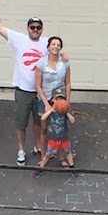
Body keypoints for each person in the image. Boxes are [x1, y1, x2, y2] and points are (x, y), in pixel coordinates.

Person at [0, 0, 67, 165]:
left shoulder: (46, 43)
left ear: (42, 29)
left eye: (38, 27)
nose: (35, 30)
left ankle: (38, 146)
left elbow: (56, 49)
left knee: (39, 123)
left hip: (42, 92)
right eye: (33, 27)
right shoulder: (19, 39)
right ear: (28, 29)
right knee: (21, 123)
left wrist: (64, 55)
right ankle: (21, 150)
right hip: (23, 90)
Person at [35, 37, 73, 167]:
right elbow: (38, 86)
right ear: (48, 47)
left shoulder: (65, 63)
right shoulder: (41, 64)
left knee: (61, 129)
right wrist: (46, 103)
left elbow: (67, 83)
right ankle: (44, 156)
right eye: (53, 44)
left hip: (60, 100)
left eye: (58, 45)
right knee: (44, 129)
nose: (55, 47)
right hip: (45, 99)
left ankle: (62, 158)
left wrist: (67, 101)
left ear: (61, 48)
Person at [39, 89, 75, 169]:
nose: (59, 101)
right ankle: (41, 168)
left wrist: (67, 112)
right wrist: (51, 110)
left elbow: (72, 120)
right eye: (57, 99)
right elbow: (43, 118)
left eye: (61, 99)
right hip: (53, 137)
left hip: (63, 137)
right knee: (48, 154)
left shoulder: (64, 112)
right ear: (53, 100)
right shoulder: (52, 111)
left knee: (68, 152)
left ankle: (72, 167)